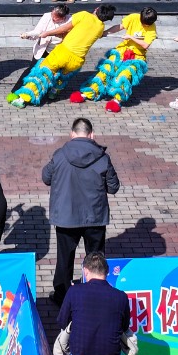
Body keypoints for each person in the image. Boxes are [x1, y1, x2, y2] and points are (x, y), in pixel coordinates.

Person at [42, 117, 120, 304]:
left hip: (66, 217)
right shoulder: (102, 158)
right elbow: (113, 187)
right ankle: (96, 296)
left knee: (64, 258)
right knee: (95, 257)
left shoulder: (60, 155)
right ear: (92, 135)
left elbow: (46, 177)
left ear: (72, 134)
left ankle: (62, 296)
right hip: (95, 217)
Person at [54, 252, 133, 355]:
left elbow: (62, 322)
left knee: (60, 341)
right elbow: (124, 327)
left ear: (85, 270)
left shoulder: (74, 291)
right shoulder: (121, 297)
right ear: (107, 272)